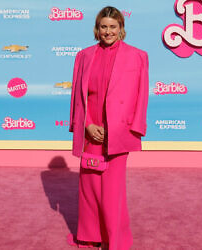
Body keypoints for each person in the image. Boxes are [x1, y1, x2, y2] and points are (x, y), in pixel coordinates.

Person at [69, 6, 149, 250]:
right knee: (89, 188)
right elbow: (77, 96)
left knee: (112, 193)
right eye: (103, 27)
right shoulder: (83, 56)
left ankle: (115, 242)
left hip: (117, 133)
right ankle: (90, 237)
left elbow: (141, 94)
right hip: (90, 130)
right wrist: (85, 126)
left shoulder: (138, 56)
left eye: (113, 27)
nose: (108, 31)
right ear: (97, 28)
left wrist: (133, 128)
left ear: (121, 29)